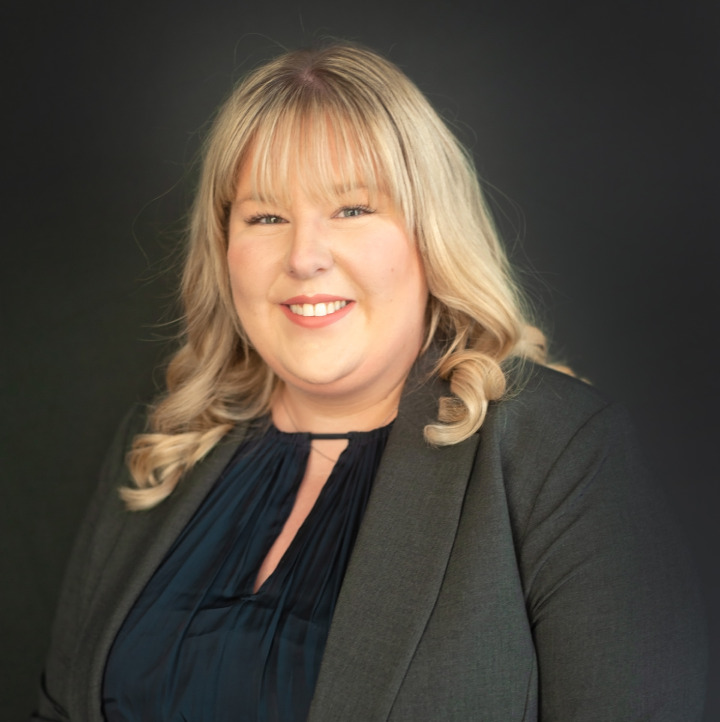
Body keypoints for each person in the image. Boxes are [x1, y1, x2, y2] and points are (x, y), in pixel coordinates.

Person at [32, 43, 707, 722]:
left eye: (352, 209)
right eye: (266, 217)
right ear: (223, 247)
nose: (303, 257)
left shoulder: (559, 453)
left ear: (429, 232)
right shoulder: (163, 446)